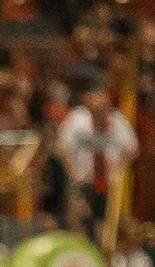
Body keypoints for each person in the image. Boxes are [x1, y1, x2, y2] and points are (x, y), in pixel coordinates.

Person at [56, 76, 139, 221]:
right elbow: (62, 147)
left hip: (108, 185)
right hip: (82, 182)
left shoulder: (118, 122)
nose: (99, 108)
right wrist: (72, 172)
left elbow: (133, 149)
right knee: (78, 218)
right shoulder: (77, 119)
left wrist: (119, 168)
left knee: (104, 225)